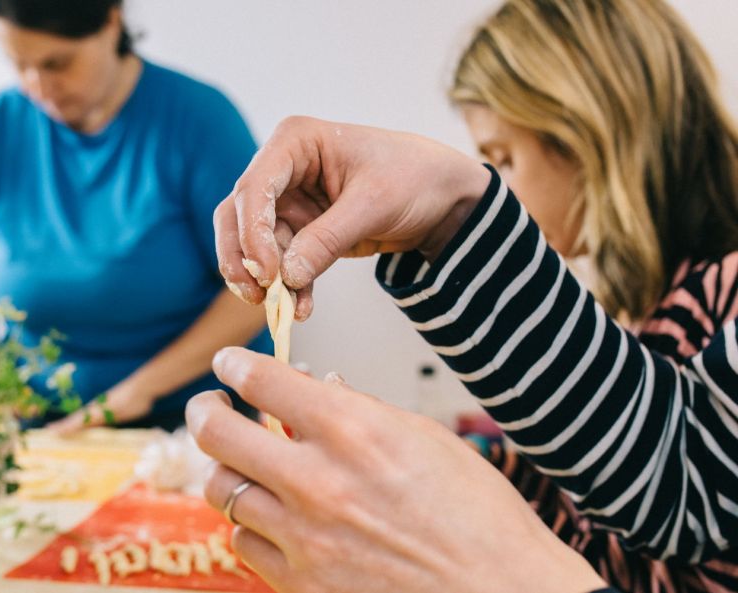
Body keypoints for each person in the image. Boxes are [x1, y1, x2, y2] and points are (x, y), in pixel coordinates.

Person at [189, 0, 738, 591]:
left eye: (504, 159)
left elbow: (682, 503)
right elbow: (677, 475)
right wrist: (453, 217)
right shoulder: (655, 299)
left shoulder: (720, 291)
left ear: (589, 128)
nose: (500, 179)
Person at [0, 0, 270, 432]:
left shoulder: (200, 121)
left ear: (111, 20)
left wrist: (134, 394)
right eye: (20, 65)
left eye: (57, 62)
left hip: (190, 418)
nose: (38, 85)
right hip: (40, 424)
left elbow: (257, 288)